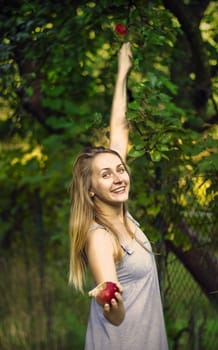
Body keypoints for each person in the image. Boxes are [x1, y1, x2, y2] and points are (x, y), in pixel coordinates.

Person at [69, 42, 169, 350]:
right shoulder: (100, 237)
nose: (118, 178)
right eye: (105, 174)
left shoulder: (125, 219)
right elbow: (113, 312)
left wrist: (122, 72)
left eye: (120, 169)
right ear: (90, 189)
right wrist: (112, 302)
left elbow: (118, 128)